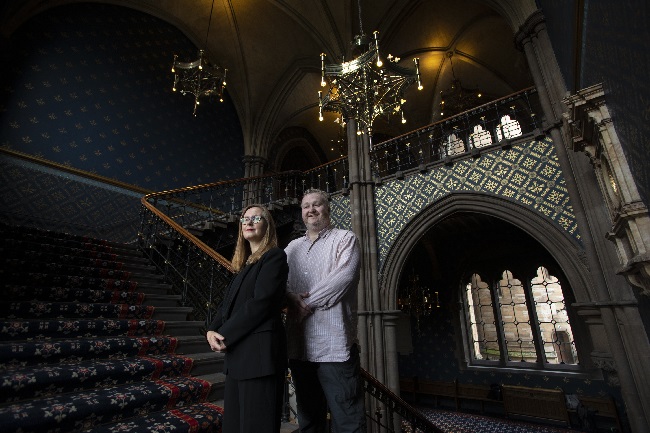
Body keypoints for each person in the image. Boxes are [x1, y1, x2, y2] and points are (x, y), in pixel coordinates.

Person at [285, 189, 365, 433]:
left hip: (334, 347)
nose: (311, 210)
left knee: (348, 419)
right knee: (309, 419)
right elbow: (280, 283)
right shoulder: (291, 247)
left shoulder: (345, 239)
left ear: (326, 209)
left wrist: (303, 304)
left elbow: (343, 279)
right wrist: (290, 297)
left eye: (317, 205)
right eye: (306, 206)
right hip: (300, 348)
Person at [206, 204, 288, 433]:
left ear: (267, 225)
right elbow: (227, 306)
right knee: (234, 426)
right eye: (245, 219)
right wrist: (211, 329)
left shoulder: (274, 257)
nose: (249, 222)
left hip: (260, 358)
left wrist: (225, 334)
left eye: (256, 218)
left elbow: (261, 303)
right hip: (237, 357)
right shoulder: (244, 265)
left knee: (256, 426)